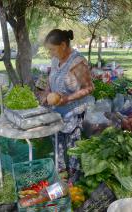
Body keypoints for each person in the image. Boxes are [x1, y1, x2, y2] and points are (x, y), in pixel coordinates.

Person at [43, 29, 94, 183]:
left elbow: (89, 88)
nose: (50, 53)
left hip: (73, 111)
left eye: (52, 49)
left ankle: (74, 178)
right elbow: (50, 80)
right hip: (56, 111)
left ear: (63, 45)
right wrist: (46, 93)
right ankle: (61, 174)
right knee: (57, 142)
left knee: (73, 147)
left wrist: (67, 99)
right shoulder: (55, 60)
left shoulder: (77, 62)